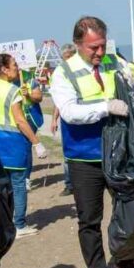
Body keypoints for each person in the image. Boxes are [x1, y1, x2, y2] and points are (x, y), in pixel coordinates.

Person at [49, 16, 134, 268]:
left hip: (119, 153)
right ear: (78, 44)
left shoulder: (116, 63)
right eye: (94, 47)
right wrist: (106, 107)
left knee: (128, 210)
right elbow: (69, 112)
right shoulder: (63, 73)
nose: (100, 52)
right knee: (89, 218)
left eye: (103, 45)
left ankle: (126, 258)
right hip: (85, 157)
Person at [0, 53, 47, 236]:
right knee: (18, 185)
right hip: (13, 144)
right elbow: (20, 121)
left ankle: (0, 224)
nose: (17, 67)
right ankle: (19, 225)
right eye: (14, 64)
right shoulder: (12, 90)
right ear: (4, 69)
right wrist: (37, 143)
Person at [53, 43, 77, 196]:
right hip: (66, 120)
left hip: (84, 117)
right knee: (68, 152)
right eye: (64, 58)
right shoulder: (60, 73)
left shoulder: (82, 70)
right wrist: (54, 119)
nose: (66, 60)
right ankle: (69, 184)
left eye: (69, 57)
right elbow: (58, 100)